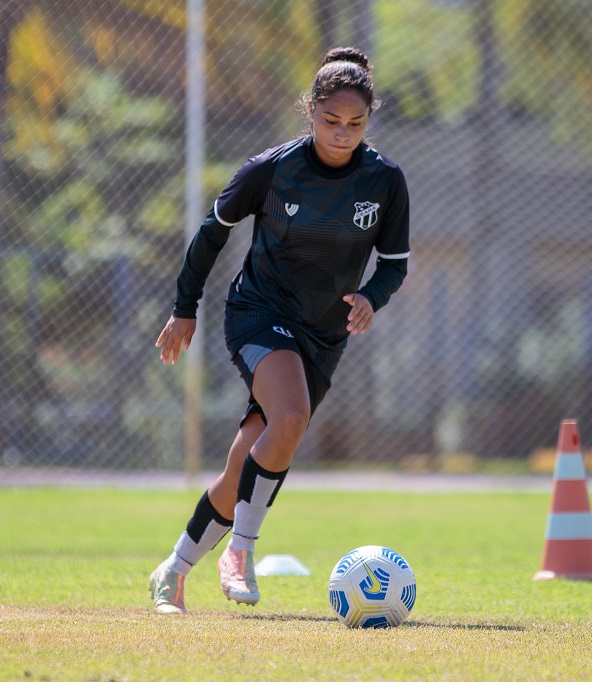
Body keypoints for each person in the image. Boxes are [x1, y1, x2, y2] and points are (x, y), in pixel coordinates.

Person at [148, 46, 410, 615]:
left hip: (323, 334)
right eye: (331, 120)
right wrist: (184, 306)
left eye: (356, 124)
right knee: (290, 416)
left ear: (369, 120)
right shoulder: (271, 169)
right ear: (309, 112)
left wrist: (371, 296)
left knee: (245, 462)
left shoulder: (385, 180)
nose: (343, 134)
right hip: (258, 311)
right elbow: (211, 233)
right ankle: (239, 552)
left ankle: (173, 570)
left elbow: (394, 263)